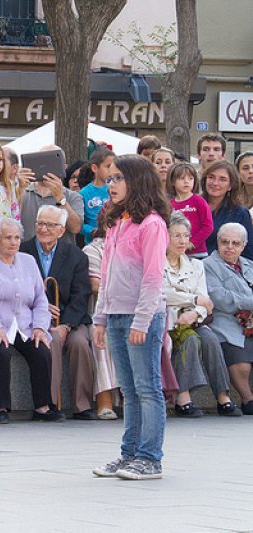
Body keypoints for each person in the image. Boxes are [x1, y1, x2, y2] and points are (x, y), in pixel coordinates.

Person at [92, 154, 171, 481]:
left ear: (136, 181)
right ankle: (129, 454)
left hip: (143, 317)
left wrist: (141, 321)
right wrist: (100, 318)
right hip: (116, 313)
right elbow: (107, 272)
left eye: (118, 178)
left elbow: (153, 277)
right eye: (109, 179)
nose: (111, 185)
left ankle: (150, 457)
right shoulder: (116, 221)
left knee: (147, 387)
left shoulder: (152, 224)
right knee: (129, 388)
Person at [0, 218, 64, 424]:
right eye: (8, 237)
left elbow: (40, 299)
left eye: (17, 237)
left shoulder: (28, 261)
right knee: (1, 352)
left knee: (41, 350)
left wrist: (39, 327)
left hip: (24, 325)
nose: (14, 242)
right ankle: (0, 408)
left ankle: (43, 407)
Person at [21, 206, 98, 419]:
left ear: (62, 230)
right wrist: (41, 308)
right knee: (51, 340)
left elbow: (81, 295)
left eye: (50, 225)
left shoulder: (76, 256)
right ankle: (49, 404)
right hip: (35, 317)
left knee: (80, 343)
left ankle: (82, 405)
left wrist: (66, 324)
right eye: (40, 224)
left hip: (69, 318)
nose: (44, 228)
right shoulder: (22, 252)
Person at [163, 212, 238, 418]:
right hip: (169, 320)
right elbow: (164, 293)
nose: (182, 241)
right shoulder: (157, 262)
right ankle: (183, 398)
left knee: (211, 340)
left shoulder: (196, 265)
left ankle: (223, 397)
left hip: (193, 319)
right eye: (176, 235)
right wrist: (194, 301)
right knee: (189, 340)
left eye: (185, 235)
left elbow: (206, 301)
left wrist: (196, 312)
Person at [204, 223, 253, 416]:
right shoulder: (207, 265)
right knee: (238, 356)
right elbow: (220, 298)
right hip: (224, 319)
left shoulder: (249, 265)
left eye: (235, 243)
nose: (230, 247)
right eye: (225, 242)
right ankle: (248, 399)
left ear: (243, 245)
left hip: (250, 318)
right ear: (218, 242)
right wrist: (249, 302)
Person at [82, 210, 120, 420]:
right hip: (100, 312)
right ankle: (104, 400)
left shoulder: (132, 247)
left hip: (130, 308)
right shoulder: (93, 249)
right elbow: (96, 285)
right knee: (102, 336)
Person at [18, 147, 84, 245]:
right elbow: (11, 221)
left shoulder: (73, 196)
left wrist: (60, 198)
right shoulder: (23, 192)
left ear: (64, 167)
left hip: (60, 256)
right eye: (41, 161)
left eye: (51, 162)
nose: (45, 167)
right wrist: (20, 189)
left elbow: (75, 228)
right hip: (26, 254)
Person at [202, 161, 253, 261]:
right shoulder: (192, 206)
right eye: (211, 177)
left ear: (230, 186)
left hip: (224, 271)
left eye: (222, 179)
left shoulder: (240, 213)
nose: (215, 183)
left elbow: (248, 250)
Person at [168, 162, 213, 258]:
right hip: (176, 254)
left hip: (198, 253)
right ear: (172, 181)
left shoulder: (199, 201)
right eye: (182, 178)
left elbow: (208, 226)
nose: (186, 181)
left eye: (190, 178)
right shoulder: (169, 205)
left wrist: (192, 243)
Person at [79, 147, 115, 244]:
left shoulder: (117, 189)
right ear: (94, 168)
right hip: (94, 243)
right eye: (108, 166)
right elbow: (79, 223)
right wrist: (92, 231)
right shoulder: (84, 193)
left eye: (113, 166)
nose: (111, 170)